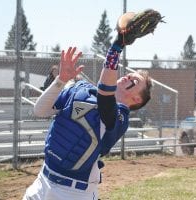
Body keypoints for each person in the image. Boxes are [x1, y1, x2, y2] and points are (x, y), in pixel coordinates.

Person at [23, 17, 152, 200]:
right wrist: (61, 80)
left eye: (135, 81)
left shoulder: (120, 117)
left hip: (74, 193)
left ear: (137, 98)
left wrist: (116, 47)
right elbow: (40, 110)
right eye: (129, 75)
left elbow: (106, 97)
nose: (128, 77)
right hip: (42, 182)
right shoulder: (81, 88)